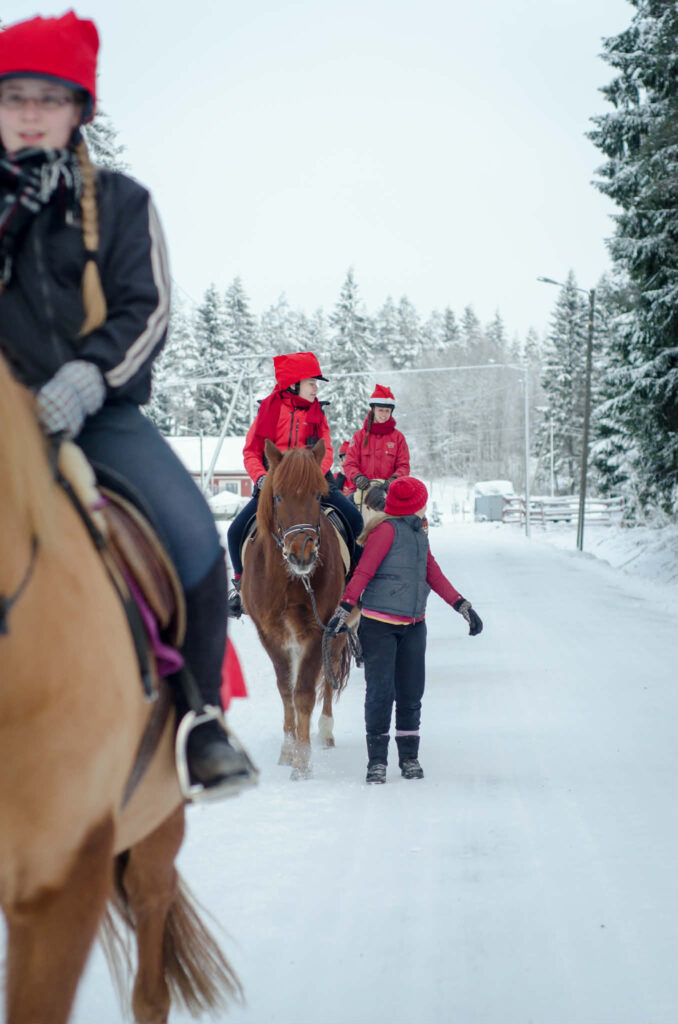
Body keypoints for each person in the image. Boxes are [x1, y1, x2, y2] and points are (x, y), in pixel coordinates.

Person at [0, 12, 256, 795]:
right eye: (15, 97)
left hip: (96, 415)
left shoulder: (118, 201)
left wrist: (86, 380)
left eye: (52, 97)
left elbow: (145, 309)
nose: (32, 113)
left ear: (82, 111)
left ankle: (200, 718)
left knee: (195, 543)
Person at [327, 476, 483, 784]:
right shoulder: (385, 531)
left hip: (414, 626)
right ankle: (377, 762)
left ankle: (409, 758)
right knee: (380, 694)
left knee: (411, 694)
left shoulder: (419, 534)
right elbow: (364, 571)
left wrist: (462, 605)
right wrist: (345, 608)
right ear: (416, 505)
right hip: (380, 628)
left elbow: (433, 574)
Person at [226, 351, 363, 616]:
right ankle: (241, 586)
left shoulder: (318, 413)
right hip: (274, 484)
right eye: (311, 382)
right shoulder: (269, 411)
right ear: (294, 384)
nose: (316, 388)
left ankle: (354, 585)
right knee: (234, 532)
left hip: (314, 481)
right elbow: (251, 452)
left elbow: (328, 449)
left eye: (316, 384)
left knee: (355, 520)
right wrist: (262, 478)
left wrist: (311, 475)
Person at [343, 385, 410, 506]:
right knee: (344, 516)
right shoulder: (359, 436)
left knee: (413, 517)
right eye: (380, 410)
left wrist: (393, 481)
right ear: (373, 409)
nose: (384, 414)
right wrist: (357, 478)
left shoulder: (398, 438)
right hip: (362, 491)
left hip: (389, 492)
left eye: (387, 411)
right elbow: (349, 463)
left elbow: (404, 466)